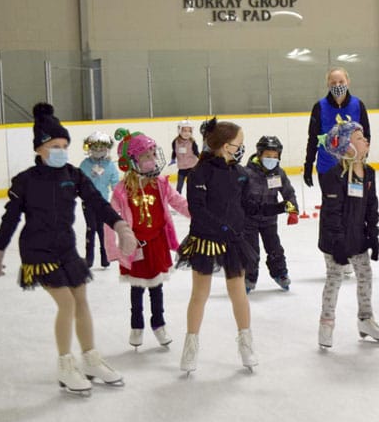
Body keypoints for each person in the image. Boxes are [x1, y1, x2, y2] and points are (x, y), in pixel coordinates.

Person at [0, 103, 137, 396]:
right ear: (40, 148)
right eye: (55, 145)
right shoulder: (26, 181)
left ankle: (91, 359)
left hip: (66, 249)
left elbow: (97, 202)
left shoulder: (73, 174)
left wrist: (120, 226)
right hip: (38, 251)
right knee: (67, 303)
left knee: (81, 300)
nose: (61, 150)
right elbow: (10, 219)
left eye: (65, 145)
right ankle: (65, 365)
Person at [175, 119, 284, 374]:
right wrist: (222, 228)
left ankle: (246, 344)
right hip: (206, 240)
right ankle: (190, 345)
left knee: (238, 293)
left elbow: (249, 207)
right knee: (199, 295)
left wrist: (278, 207)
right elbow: (197, 210)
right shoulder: (199, 173)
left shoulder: (239, 174)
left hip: (233, 241)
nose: (242, 148)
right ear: (225, 146)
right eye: (239, 144)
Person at [104, 128, 190, 350]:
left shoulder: (161, 183)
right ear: (132, 161)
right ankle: (136, 325)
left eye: (153, 154)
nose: (152, 160)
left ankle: (159, 324)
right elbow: (109, 218)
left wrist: (198, 214)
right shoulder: (122, 190)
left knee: (157, 288)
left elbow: (179, 202)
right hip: (135, 246)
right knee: (137, 288)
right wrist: (113, 250)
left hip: (157, 244)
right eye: (145, 156)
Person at [315, 116, 379, 349]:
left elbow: (371, 205)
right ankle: (326, 323)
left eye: (364, 137)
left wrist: (373, 235)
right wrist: (337, 243)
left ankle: (365, 319)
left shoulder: (368, 173)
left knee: (365, 276)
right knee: (335, 277)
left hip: (357, 237)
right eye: (359, 137)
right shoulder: (333, 177)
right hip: (334, 239)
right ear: (347, 146)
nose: (365, 140)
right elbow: (331, 213)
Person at [242, 135, 300, 293]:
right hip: (249, 221)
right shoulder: (247, 173)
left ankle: (280, 273)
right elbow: (237, 196)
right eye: (268, 156)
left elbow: (289, 193)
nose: (271, 159)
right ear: (259, 154)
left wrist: (293, 210)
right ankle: (249, 277)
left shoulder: (278, 174)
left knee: (275, 248)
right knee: (251, 251)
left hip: (269, 220)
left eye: (275, 157)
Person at [303, 67, 371, 187]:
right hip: (327, 168)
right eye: (333, 83)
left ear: (348, 82)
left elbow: (366, 136)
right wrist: (308, 166)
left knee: (354, 205)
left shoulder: (358, 105)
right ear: (328, 84)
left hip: (353, 166)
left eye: (341, 82)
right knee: (332, 205)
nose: (337, 85)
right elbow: (313, 139)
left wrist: (362, 160)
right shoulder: (319, 107)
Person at [79, 131, 120, 269]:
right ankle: (89, 257)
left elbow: (115, 184)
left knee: (102, 230)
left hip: (103, 203)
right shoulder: (84, 164)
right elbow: (79, 181)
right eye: (95, 148)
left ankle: (105, 256)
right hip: (88, 203)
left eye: (101, 148)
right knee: (91, 228)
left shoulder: (110, 166)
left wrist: (122, 198)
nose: (98, 151)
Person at [169, 119, 199, 194]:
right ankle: (178, 198)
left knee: (191, 185)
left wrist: (201, 161)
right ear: (179, 130)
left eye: (189, 131)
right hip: (182, 168)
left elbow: (196, 153)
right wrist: (173, 159)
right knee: (179, 186)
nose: (187, 133)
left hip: (192, 167)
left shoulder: (192, 142)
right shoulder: (175, 142)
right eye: (184, 131)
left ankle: (192, 198)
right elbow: (174, 151)